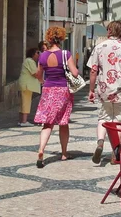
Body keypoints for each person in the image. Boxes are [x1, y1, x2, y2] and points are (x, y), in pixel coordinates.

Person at [87, 21, 121, 164]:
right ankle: (115, 154)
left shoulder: (99, 47)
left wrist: (91, 90)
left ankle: (100, 142)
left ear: (109, 31)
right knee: (120, 120)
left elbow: (93, 70)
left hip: (104, 89)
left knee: (104, 117)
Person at [34, 27, 80, 168]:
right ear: (61, 38)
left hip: (48, 89)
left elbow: (38, 75)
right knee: (63, 121)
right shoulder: (65, 54)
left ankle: (41, 149)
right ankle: (64, 153)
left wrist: (43, 83)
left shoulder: (42, 56)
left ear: (48, 38)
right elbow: (75, 73)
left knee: (47, 123)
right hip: (62, 90)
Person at [17, 47, 42, 127]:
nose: (38, 55)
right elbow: (35, 74)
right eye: (37, 53)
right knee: (26, 103)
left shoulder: (28, 61)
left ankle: (21, 120)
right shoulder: (30, 61)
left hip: (25, 84)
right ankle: (24, 121)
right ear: (33, 54)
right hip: (27, 85)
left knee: (23, 103)